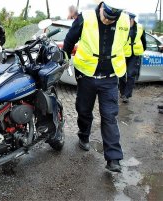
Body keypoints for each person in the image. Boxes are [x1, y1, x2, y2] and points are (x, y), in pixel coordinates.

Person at [63, 0, 130, 172]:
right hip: (86, 75)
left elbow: (123, 44)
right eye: (106, 17)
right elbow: (69, 41)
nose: (108, 21)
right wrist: (64, 60)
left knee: (109, 116)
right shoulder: (85, 18)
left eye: (112, 19)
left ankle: (113, 158)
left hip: (110, 77)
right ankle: (83, 135)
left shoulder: (124, 20)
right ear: (101, 7)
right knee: (84, 110)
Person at [120, 12, 146, 103]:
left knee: (131, 74)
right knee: (121, 74)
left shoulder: (140, 27)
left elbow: (143, 40)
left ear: (133, 19)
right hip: (123, 53)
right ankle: (122, 92)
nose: (128, 21)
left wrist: (142, 50)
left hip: (135, 54)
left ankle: (127, 95)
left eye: (129, 20)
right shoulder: (122, 27)